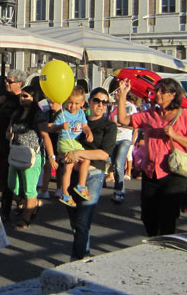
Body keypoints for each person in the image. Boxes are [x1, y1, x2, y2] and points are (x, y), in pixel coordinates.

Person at [117, 78, 187, 236]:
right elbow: (123, 120)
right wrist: (123, 95)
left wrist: (175, 136)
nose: (157, 94)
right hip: (151, 172)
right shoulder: (150, 114)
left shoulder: (184, 116)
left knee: (168, 217)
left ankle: (166, 250)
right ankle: (154, 242)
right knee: (148, 216)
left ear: (172, 95)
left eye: (162, 91)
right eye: (156, 90)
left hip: (174, 173)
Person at [61, 86, 116, 260]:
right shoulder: (78, 119)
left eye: (104, 102)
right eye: (97, 101)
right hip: (72, 173)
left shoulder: (109, 125)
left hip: (93, 175)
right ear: (89, 102)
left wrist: (80, 153)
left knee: (83, 220)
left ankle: (75, 262)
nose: (100, 105)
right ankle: (84, 254)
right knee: (75, 220)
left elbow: (104, 153)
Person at [6, 85, 46, 228]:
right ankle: (32, 203)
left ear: (34, 98)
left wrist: (52, 157)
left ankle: (26, 218)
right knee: (13, 184)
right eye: (21, 96)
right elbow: (8, 130)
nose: (22, 99)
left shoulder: (38, 115)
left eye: (25, 96)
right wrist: (9, 134)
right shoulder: (17, 113)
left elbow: (45, 135)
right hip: (17, 152)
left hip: (33, 155)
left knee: (30, 188)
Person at [0, 68, 24, 220]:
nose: (7, 84)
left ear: (19, 83)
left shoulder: (22, 100)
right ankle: (6, 206)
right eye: (6, 81)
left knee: (13, 174)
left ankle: (17, 203)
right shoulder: (6, 97)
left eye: (10, 81)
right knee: (2, 173)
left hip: (14, 141)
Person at [50, 88, 94, 207]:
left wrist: (88, 132)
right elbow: (52, 128)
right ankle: (65, 192)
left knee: (86, 160)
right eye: (70, 103)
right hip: (65, 142)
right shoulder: (63, 115)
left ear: (82, 103)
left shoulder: (81, 113)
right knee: (69, 166)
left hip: (75, 143)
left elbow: (84, 126)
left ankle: (80, 185)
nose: (73, 106)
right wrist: (60, 126)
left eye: (76, 103)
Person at [109, 92, 138, 203]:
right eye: (116, 93)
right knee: (115, 165)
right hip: (113, 138)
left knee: (118, 164)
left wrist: (120, 124)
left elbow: (134, 124)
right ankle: (117, 187)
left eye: (119, 92)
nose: (117, 94)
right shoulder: (113, 107)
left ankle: (119, 191)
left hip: (124, 138)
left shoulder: (130, 107)